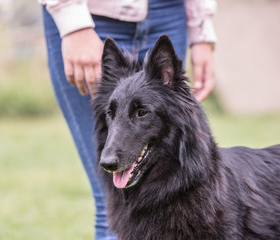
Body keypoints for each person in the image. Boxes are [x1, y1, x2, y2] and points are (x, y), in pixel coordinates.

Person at [39, 0, 217, 239]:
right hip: (92, 15)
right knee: (112, 201)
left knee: (185, 195)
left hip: (169, 11)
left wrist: (202, 31)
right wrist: (73, 23)